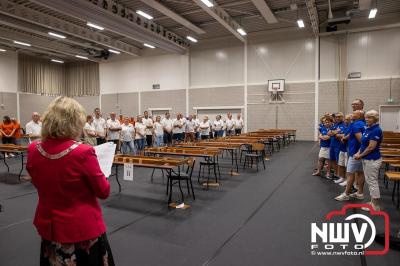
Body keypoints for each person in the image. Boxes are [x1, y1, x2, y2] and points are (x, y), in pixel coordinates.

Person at [26, 97, 114, 266]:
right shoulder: (83, 152)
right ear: (74, 123)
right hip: (81, 230)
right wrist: (101, 173)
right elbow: (103, 192)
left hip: (50, 227)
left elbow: (37, 181)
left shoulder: (33, 149)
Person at [354, 110, 383, 211]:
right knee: (370, 181)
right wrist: (358, 153)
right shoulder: (368, 128)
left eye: (370, 117)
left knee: (372, 182)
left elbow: (371, 147)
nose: (367, 119)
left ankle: (375, 206)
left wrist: (360, 155)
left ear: (375, 119)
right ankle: (372, 201)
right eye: (366, 117)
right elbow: (363, 144)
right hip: (366, 159)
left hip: (372, 160)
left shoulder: (376, 130)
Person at [335, 110, 366, 201]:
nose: (352, 114)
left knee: (349, 173)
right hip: (360, 153)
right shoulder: (363, 124)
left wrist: (358, 152)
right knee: (360, 173)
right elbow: (351, 135)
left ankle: (346, 194)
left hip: (355, 153)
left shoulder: (356, 124)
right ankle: (360, 193)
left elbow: (361, 140)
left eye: (354, 113)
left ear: (359, 116)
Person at [335, 114, 352, 186]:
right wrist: (341, 135)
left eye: (348, 119)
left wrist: (341, 135)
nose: (346, 121)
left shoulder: (351, 127)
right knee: (341, 164)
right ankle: (342, 177)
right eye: (345, 119)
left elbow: (345, 136)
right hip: (341, 148)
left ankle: (347, 180)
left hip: (347, 149)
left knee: (347, 166)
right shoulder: (345, 127)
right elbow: (336, 135)